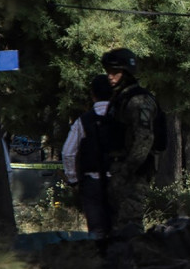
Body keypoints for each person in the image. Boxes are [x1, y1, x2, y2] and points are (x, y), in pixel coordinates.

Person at [102, 47, 159, 237]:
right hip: (118, 169)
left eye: (115, 72)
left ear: (126, 73)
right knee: (116, 226)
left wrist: (126, 171)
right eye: (108, 72)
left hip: (133, 174)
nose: (110, 77)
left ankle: (134, 264)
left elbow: (144, 139)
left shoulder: (139, 100)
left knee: (130, 226)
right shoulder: (120, 99)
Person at [61, 74, 114, 239]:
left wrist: (73, 179)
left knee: (96, 231)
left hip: (92, 183)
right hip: (118, 182)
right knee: (120, 230)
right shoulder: (123, 118)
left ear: (93, 95)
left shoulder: (83, 121)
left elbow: (68, 152)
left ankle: (99, 261)